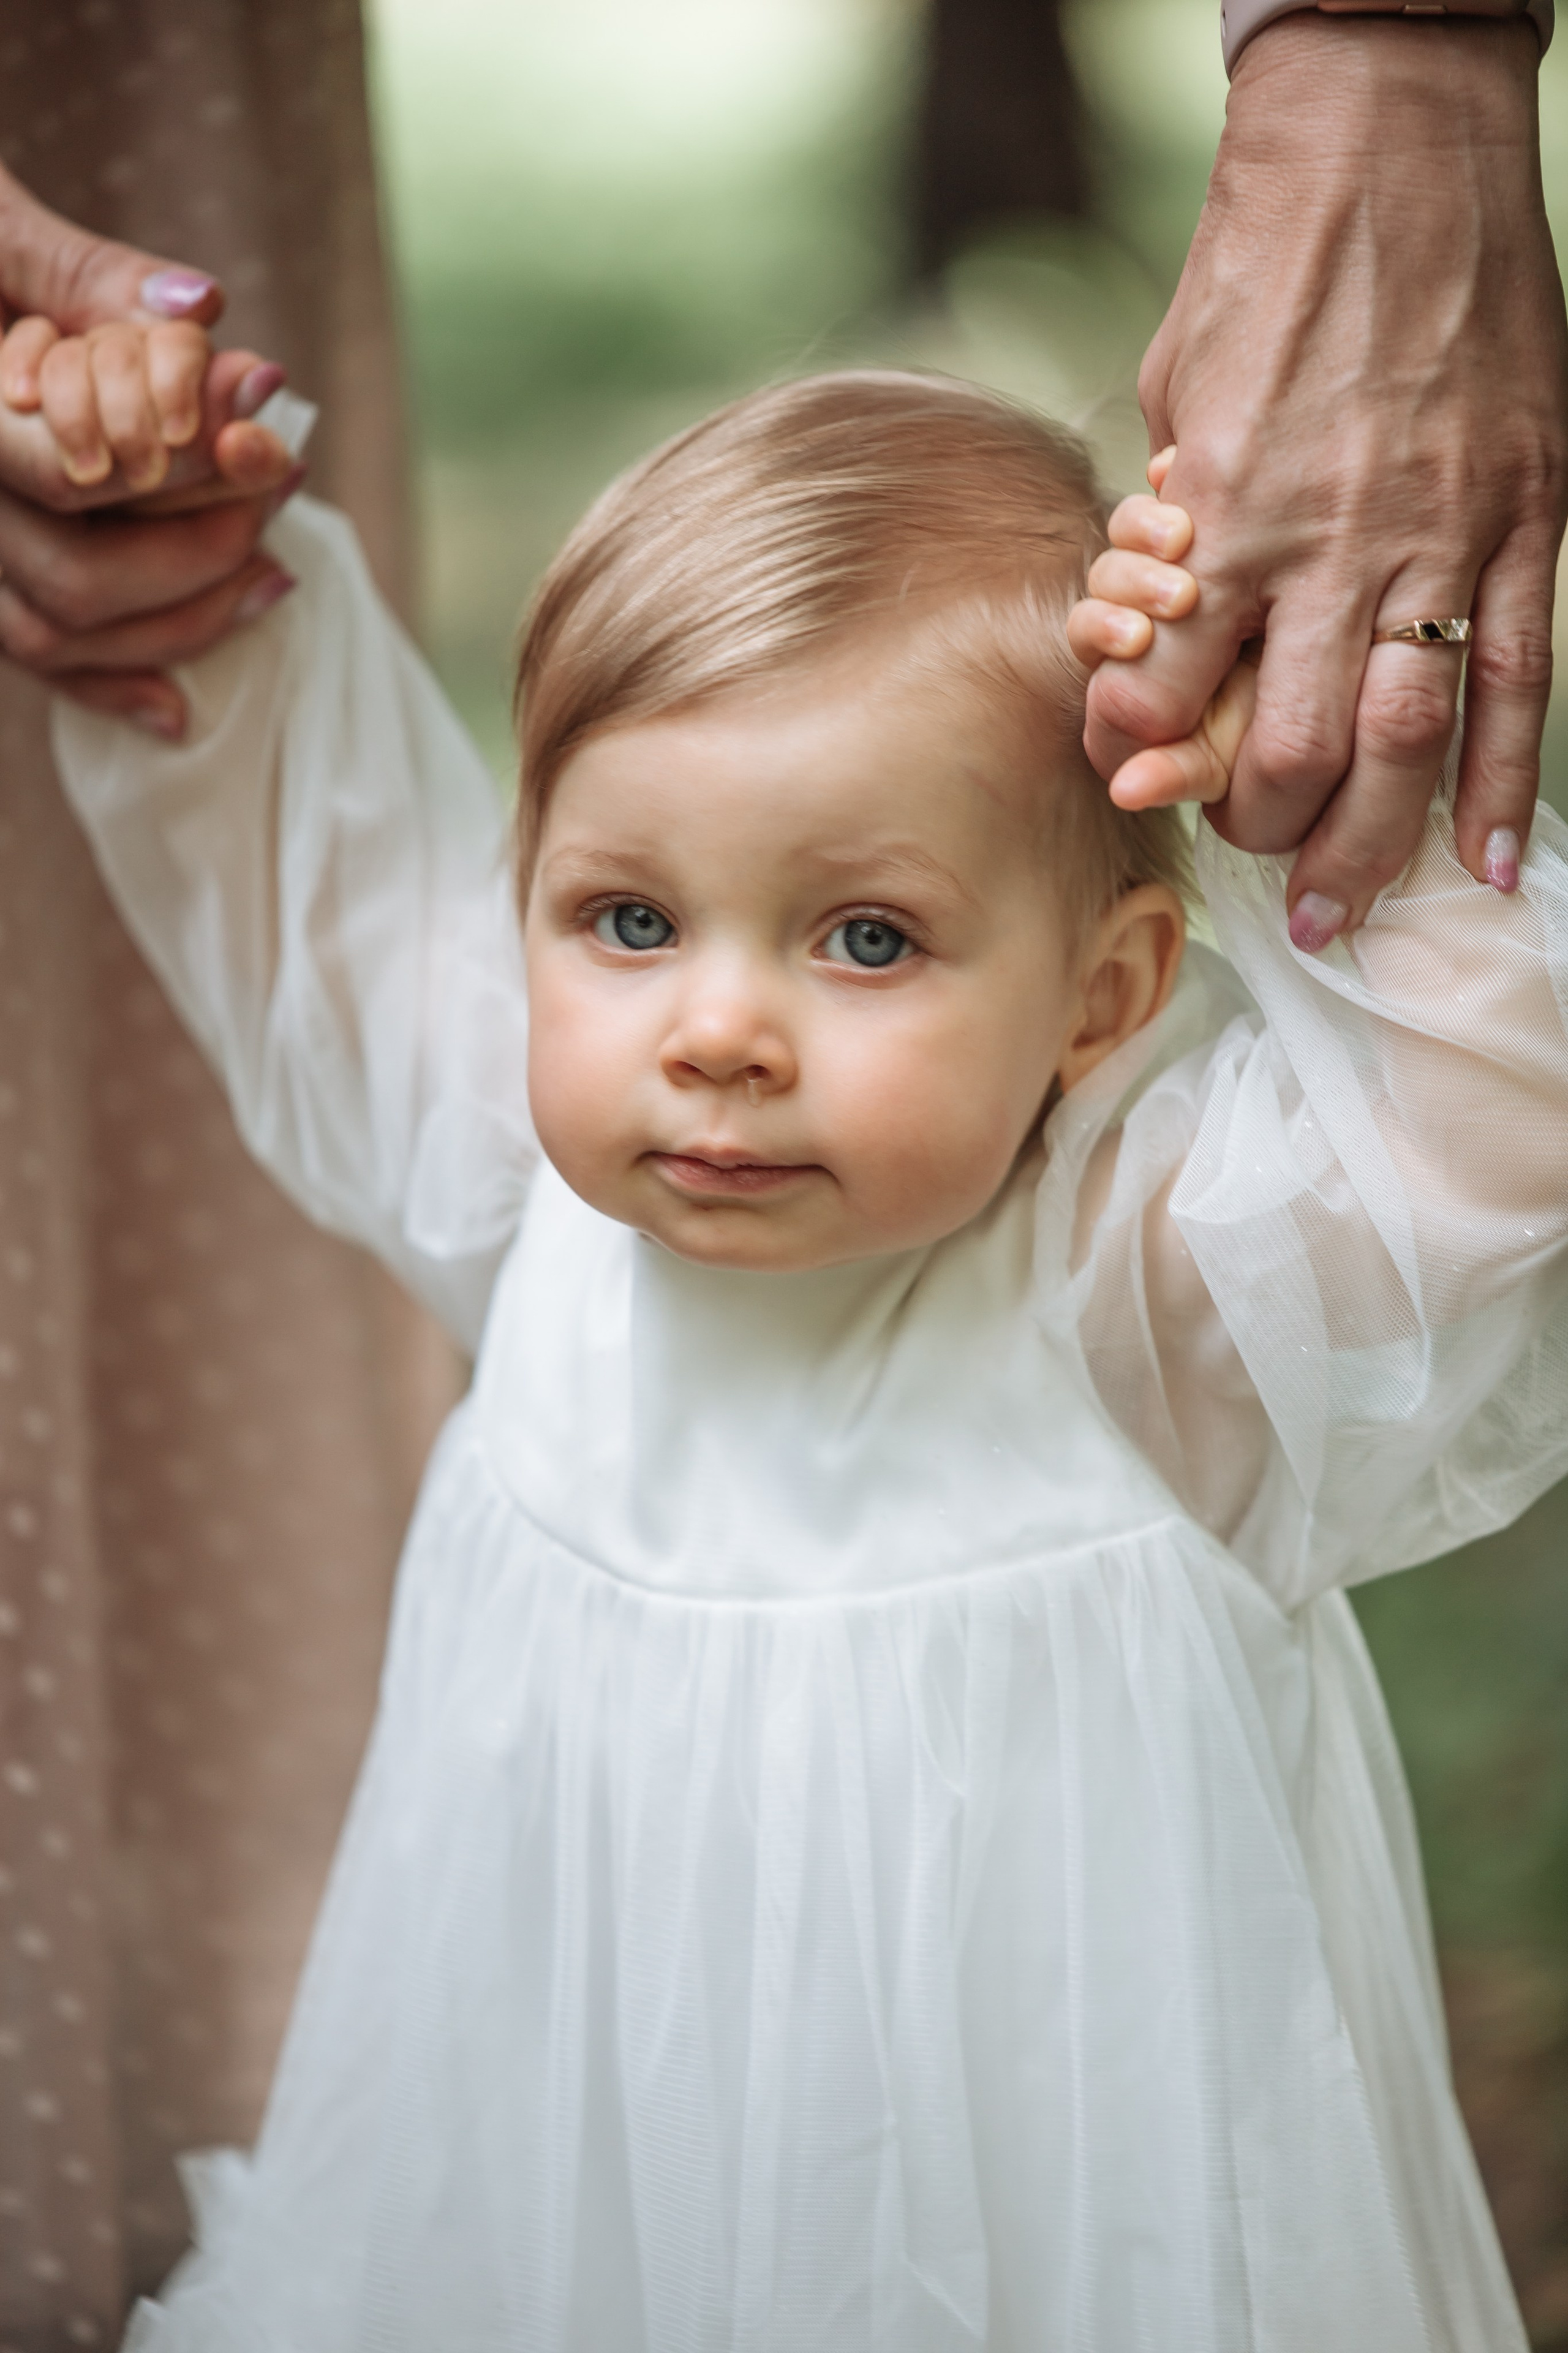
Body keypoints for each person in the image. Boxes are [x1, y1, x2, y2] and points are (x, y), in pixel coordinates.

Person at [28, 317, 1568, 2343]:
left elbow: (1502, 1111)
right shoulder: (534, 1197)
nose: (718, 1032)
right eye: (630, 920)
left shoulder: (1152, 1292)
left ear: (1101, 1003)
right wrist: (194, 561)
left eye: (867, 938)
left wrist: (1298, 735)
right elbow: (309, 883)